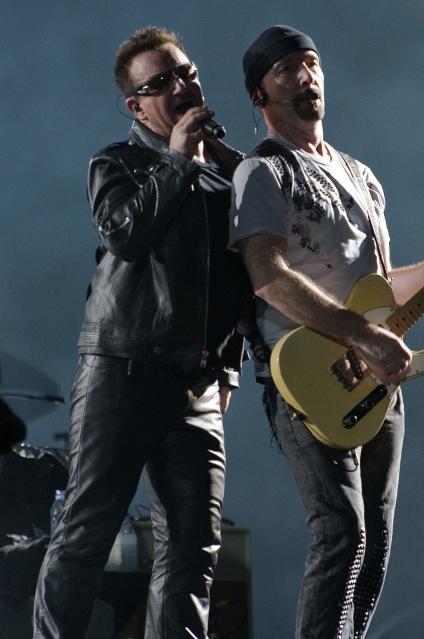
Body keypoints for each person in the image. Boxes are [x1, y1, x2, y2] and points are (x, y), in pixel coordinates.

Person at [229, 25, 424, 638]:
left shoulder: (361, 175)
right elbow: (267, 277)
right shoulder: (263, 172)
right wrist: (359, 335)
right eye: (287, 71)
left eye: (312, 64)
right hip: (306, 376)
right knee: (342, 531)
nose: (306, 77)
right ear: (260, 95)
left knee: (375, 540)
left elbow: (384, 289)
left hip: (377, 376)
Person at [33, 27, 250, 638]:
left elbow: (243, 282)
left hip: (197, 386)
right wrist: (179, 158)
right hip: (121, 370)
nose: (184, 87)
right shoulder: (117, 163)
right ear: (136, 105)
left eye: (188, 72)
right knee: (86, 534)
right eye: (162, 83)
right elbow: (125, 235)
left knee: (194, 550)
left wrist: (229, 367)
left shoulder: (235, 173)